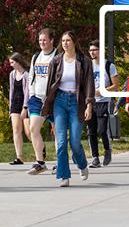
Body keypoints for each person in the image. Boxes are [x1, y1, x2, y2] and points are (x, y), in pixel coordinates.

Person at [41, 31, 95, 187]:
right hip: (60, 102)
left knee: (75, 142)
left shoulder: (84, 61)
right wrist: (48, 106)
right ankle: (64, 175)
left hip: (77, 103)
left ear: (74, 42)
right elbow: (50, 85)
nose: (65, 43)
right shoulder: (56, 61)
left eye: (68, 40)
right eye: (63, 41)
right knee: (62, 142)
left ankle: (82, 164)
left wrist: (89, 105)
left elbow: (89, 85)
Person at [27, 28, 57, 175]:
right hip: (37, 98)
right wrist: (32, 93)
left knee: (58, 132)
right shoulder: (36, 56)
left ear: (52, 40)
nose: (42, 43)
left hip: (55, 99)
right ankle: (40, 162)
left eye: (45, 40)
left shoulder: (58, 55)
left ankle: (60, 162)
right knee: (33, 128)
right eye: (40, 40)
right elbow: (32, 76)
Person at [87, 39, 118, 168]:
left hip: (104, 101)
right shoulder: (88, 66)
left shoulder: (108, 65)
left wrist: (103, 91)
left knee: (102, 130)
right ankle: (95, 157)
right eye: (90, 50)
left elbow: (115, 85)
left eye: (94, 50)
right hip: (90, 102)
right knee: (91, 131)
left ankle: (107, 149)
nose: (92, 52)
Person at [8, 53, 31, 165]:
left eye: (12, 62)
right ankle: (19, 157)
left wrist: (25, 108)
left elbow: (27, 92)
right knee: (16, 130)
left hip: (25, 105)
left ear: (18, 62)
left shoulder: (26, 75)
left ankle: (41, 148)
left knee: (28, 132)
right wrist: (10, 108)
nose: (11, 65)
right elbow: (11, 91)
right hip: (15, 105)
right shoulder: (12, 74)